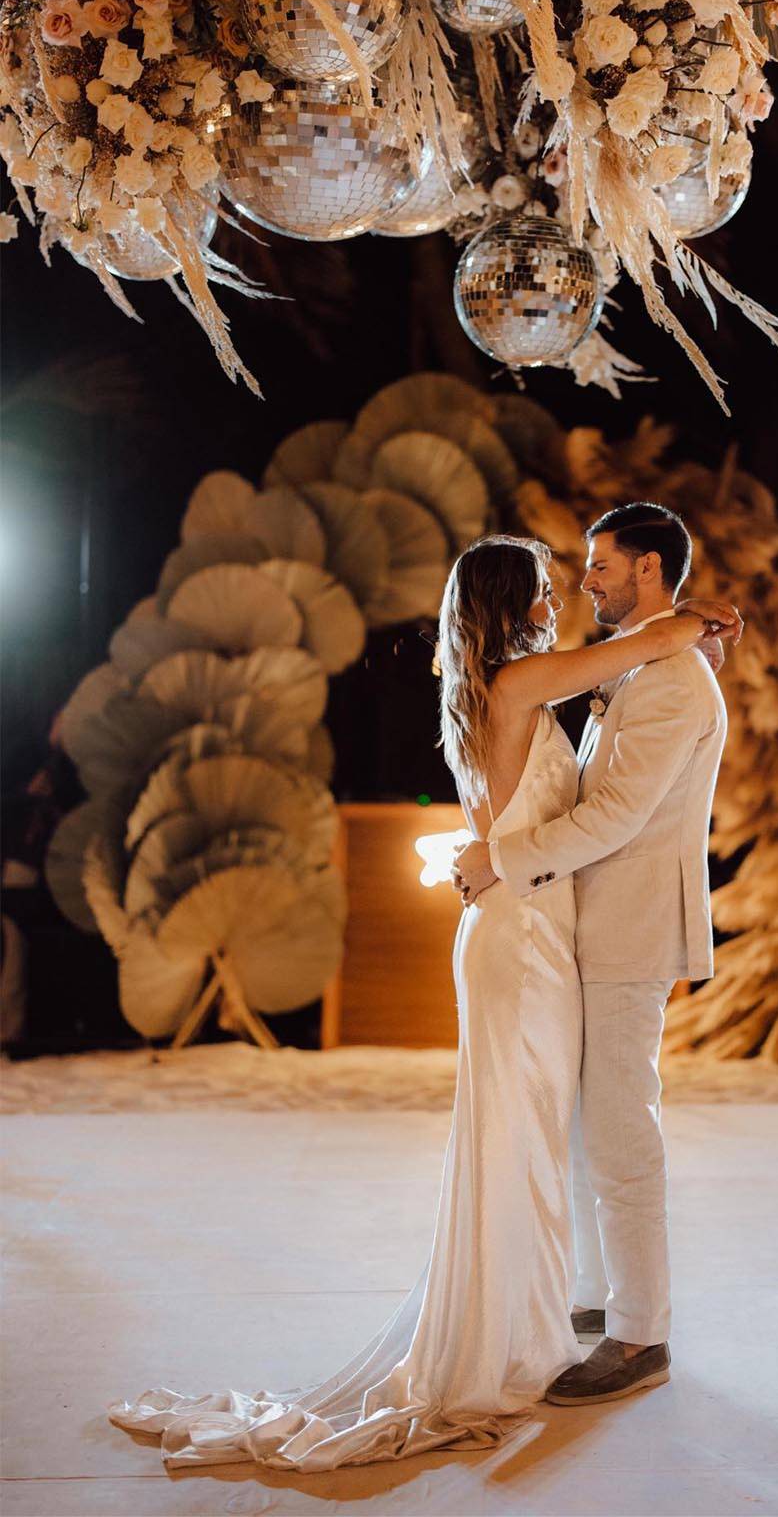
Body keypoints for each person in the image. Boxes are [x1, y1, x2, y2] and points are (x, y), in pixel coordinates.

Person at [107, 532, 740, 1472]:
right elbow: (629, 665)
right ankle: (515, 1328)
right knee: (520, 1136)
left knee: (534, 1132)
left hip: (536, 928)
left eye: (592, 570)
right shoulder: (527, 680)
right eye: (550, 583)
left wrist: (684, 639)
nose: (569, 589)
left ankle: (548, 1309)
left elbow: (613, 726)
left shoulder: (516, 679)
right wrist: (685, 625)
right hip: (523, 937)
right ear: (512, 602)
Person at [454, 503, 735, 1408]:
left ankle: (641, 1334)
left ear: (648, 568)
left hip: (627, 930)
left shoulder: (673, 680)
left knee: (619, 1130)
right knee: (583, 1125)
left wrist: (503, 857)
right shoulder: (645, 664)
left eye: (600, 565)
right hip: (578, 925)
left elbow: (616, 816)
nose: (586, 582)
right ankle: (591, 1302)